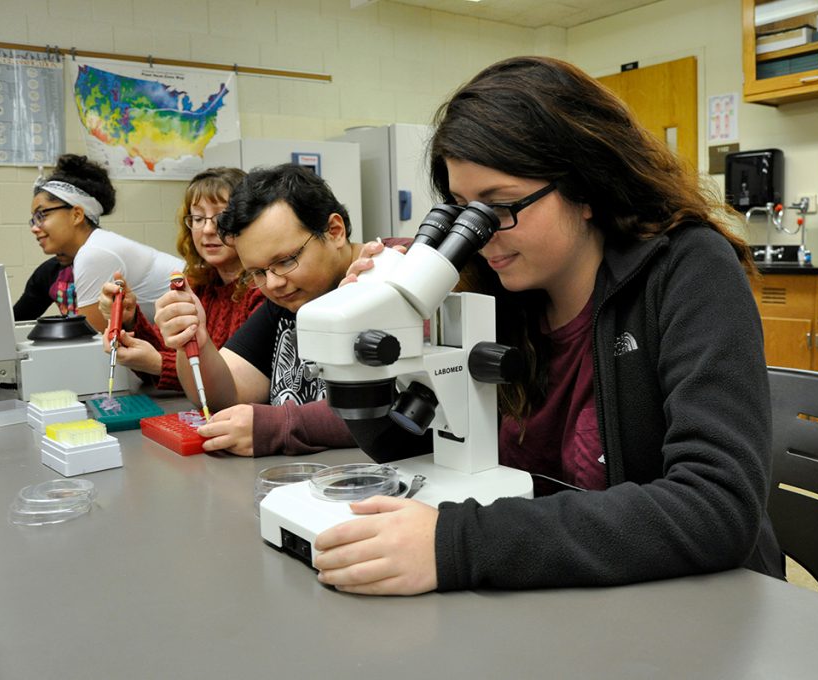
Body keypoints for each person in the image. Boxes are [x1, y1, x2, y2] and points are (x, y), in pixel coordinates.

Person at [311, 56, 785, 595]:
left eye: (500, 207)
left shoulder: (688, 269)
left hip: (692, 603)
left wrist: (459, 544)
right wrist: (366, 352)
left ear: (584, 189)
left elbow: (716, 506)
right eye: (462, 209)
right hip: (556, 589)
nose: (481, 235)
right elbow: (408, 449)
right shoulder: (489, 288)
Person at [155, 164, 407, 456]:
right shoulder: (288, 299)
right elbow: (227, 395)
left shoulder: (399, 270)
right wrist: (194, 339)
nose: (273, 283)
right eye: (257, 273)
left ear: (334, 231)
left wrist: (278, 425)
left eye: (286, 261)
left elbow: (402, 401)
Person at [96, 167, 264, 392]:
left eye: (222, 217)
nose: (207, 229)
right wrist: (130, 318)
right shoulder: (198, 285)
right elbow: (169, 348)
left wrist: (157, 365)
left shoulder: (263, 289)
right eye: (197, 218)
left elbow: (235, 382)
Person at [29, 154, 183, 331]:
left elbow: (97, 343)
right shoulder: (97, 245)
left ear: (77, 215)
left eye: (42, 215)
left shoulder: (94, 253)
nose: (35, 227)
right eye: (33, 220)